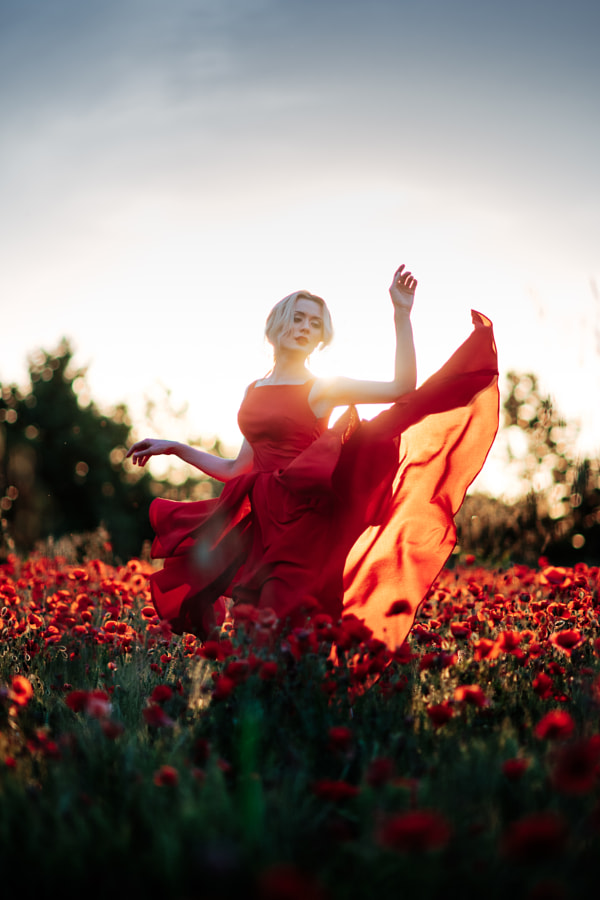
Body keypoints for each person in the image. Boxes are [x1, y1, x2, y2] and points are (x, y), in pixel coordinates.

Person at [127, 264, 499, 648]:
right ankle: (262, 699)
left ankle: (308, 692)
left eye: (315, 323)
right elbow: (237, 469)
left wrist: (400, 315)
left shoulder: (321, 388)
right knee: (252, 619)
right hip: (263, 519)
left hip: (307, 517)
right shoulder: (253, 389)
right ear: (277, 325)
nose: (306, 327)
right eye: (299, 318)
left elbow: (402, 386)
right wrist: (174, 447)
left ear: (322, 337)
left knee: (284, 612)